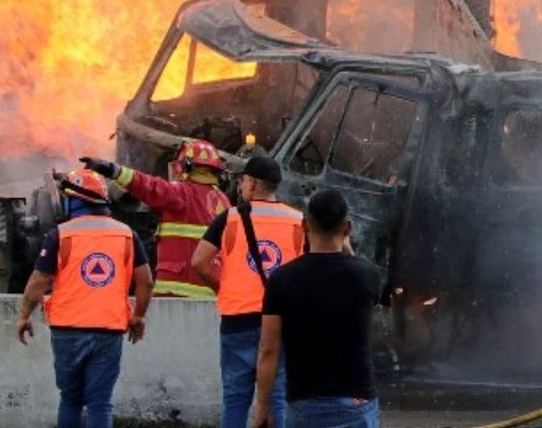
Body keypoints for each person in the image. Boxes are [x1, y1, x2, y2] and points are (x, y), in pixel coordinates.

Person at [15, 168, 154, 428]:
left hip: (67, 331)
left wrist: (24, 316)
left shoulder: (59, 234)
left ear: (73, 201)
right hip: (109, 330)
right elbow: (146, 281)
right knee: (100, 403)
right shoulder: (126, 234)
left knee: (70, 400)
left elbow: (37, 282)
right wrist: (138, 317)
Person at [252, 187, 382, 428]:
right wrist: (347, 246)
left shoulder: (281, 280)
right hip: (357, 398)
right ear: (347, 228)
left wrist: (263, 405)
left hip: (305, 402)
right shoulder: (369, 275)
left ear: (304, 226)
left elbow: (269, 349)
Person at [191, 155, 304, 428]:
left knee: (235, 400)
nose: (241, 186)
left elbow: (199, 262)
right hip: (282, 323)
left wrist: (223, 287)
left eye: (243, 181)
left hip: (237, 321)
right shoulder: (298, 221)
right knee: (277, 396)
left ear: (252, 184)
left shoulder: (229, 219)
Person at [81, 138, 231, 298]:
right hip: (212, 292)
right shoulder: (223, 200)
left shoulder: (182, 193)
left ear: (185, 166)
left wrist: (113, 170)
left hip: (177, 293)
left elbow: (148, 186)